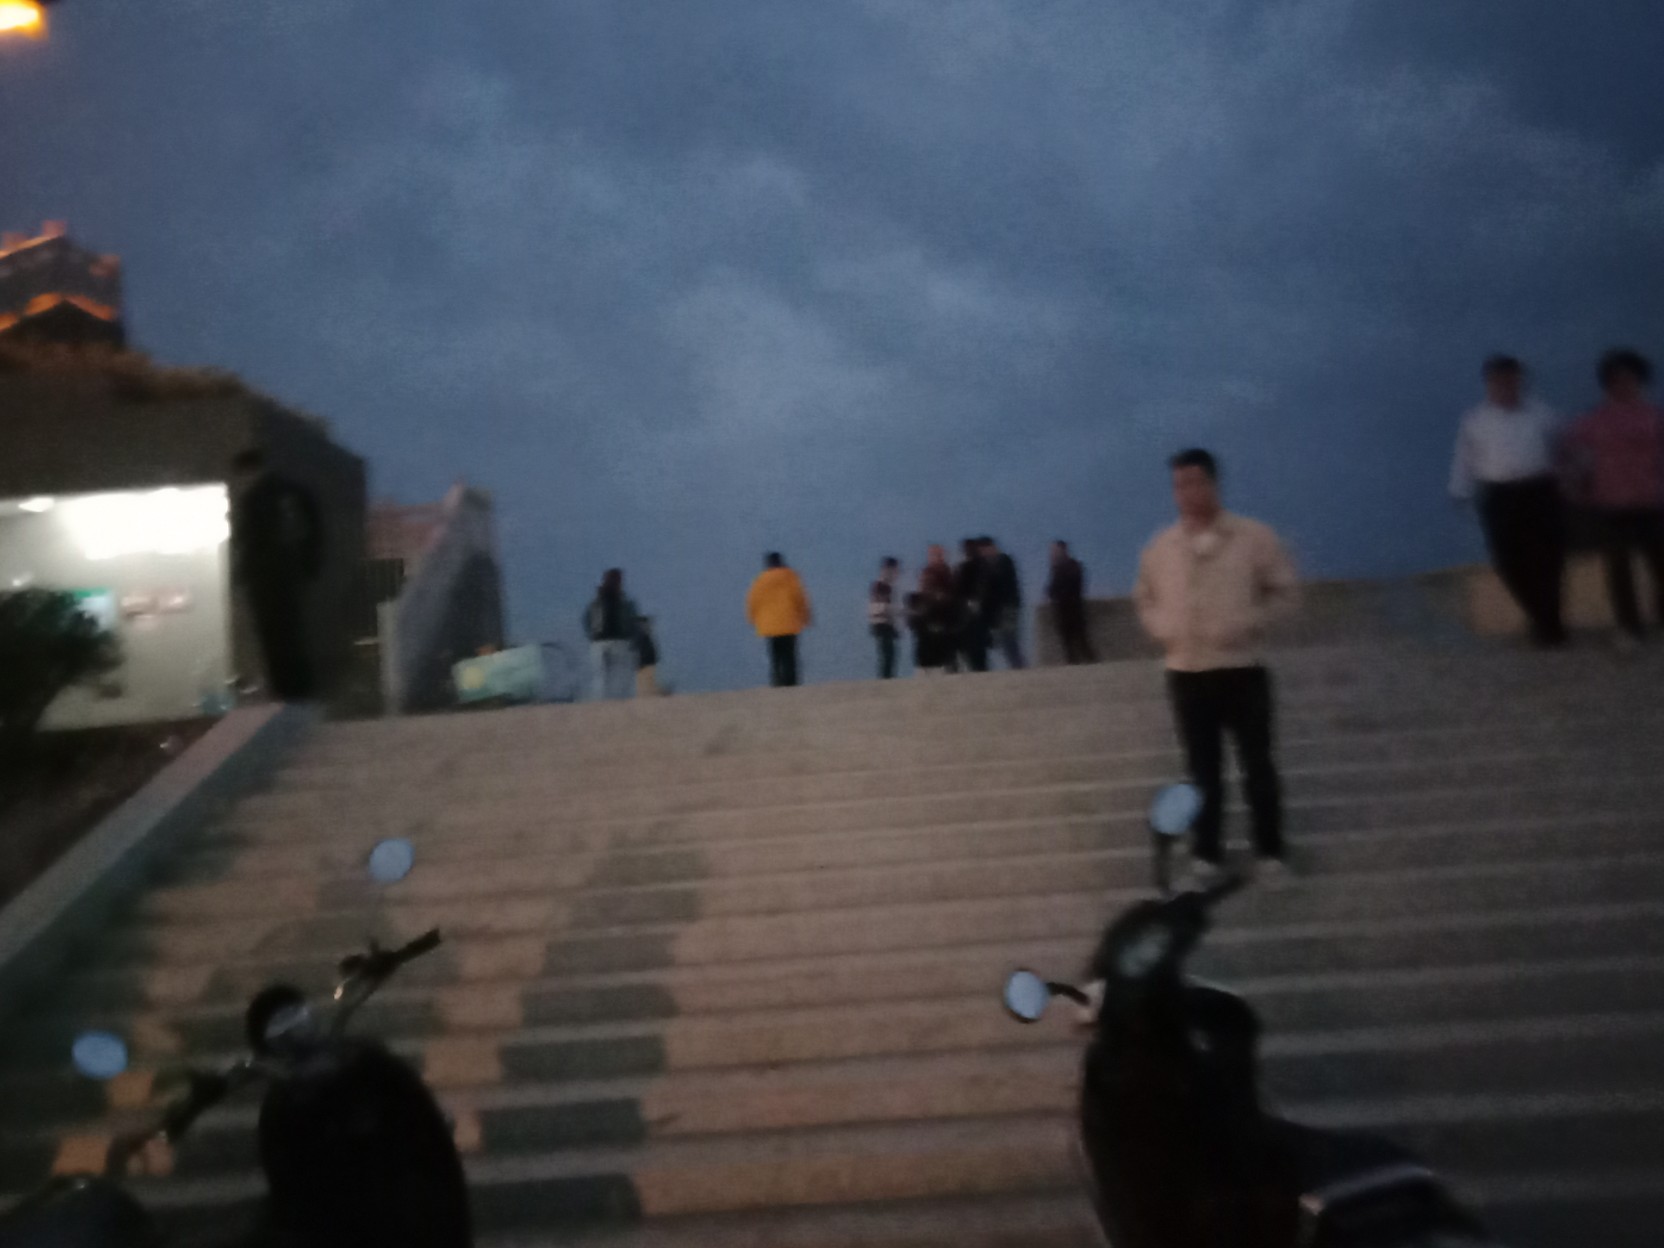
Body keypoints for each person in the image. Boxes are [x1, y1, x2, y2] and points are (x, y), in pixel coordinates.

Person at [1135, 449, 1299, 881]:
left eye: (1194, 482)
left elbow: (1285, 593)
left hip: (1241, 667)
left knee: (1257, 764)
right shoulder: (1161, 546)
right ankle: (1207, 852)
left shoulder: (1254, 537)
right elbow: (1145, 598)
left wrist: (1248, 623)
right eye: (1179, 485)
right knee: (1201, 769)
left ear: (1212, 483)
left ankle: (1270, 850)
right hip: (1186, 671)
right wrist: (1164, 629)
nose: (1186, 493)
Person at [1449, 356, 1568, 648]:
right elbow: (1465, 457)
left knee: (1548, 559)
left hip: (1539, 490)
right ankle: (1541, 617)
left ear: (1520, 380)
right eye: (1498, 380)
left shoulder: (1544, 414)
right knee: (1507, 559)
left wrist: (1570, 482)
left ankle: (1550, 627)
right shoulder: (1475, 420)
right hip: (1499, 495)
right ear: (1488, 383)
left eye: (1511, 379)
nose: (1505, 386)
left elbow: (1564, 449)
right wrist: (1460, 490)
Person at [1561, 349, 1664, 647]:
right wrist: (1576, 490)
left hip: (1652, 503)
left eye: (1631, 379)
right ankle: (1629, 627)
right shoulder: (1591, 422)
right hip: (1610, 505)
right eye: (1617, 380)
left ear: (1640, 381)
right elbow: (1568, 457)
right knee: (1619, 569)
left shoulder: (1655, 418)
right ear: (1607, 384)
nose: (1625, 385)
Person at [229, 449, 323, 701]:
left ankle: (285, 689)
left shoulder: (256, 498)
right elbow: (313, 532)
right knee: (292, 633)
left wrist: (240, 574)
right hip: (291, 575)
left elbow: (249, 540)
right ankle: (299, 688)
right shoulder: (294, 492)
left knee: (273, 635)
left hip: (266, 577)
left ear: (248, 471)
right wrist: (310, 566)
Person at [746, 552, 813, 687]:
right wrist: (805, 617)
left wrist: (753, 619)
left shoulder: (760, 580)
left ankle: (777, 681)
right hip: (790, 623)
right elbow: (800, 599)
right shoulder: (791, 577)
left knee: (775, 656)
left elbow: (752, 602)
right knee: (790, 655)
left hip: (769, 625)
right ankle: (791, 682)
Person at [583, 569, 639, 700]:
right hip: (620, 641)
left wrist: (591, 636)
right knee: (623, 674)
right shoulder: (624, 602)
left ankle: (599, 702)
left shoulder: (595, 603)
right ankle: (622, 701)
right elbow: (632, 621)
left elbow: (586, 620)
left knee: (600, 676)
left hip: (597, 643)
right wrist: (634, 638)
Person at [1047, 540, 1097, 664]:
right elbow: (1052, 590)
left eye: (1055, 551)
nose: (1053, 554)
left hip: (1073, 610)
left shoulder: (1072, 566)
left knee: (1081, 642)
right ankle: (1076, 664)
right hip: (1063, 611)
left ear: (1063, 551)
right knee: (1068, 644)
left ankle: (1093, 664)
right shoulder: (1059, 568)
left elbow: (1070, 587)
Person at [911, 546, 959, 675]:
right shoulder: (927, 572)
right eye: (934, 555)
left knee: (947, 648)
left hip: (945, 617)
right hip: (929, 618)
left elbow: (953, 594)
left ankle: (949, 668)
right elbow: (923, 592)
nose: (937, 558)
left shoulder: (948, 573)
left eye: (939, 555)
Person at [980, 536, 1025, 669]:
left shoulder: (1004, 561)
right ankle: (1017, 666)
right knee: (1006, 640)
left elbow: (1004, 585)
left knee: (1009, 638)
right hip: (1001, 609)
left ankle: (1018, 666)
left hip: (1008, 606)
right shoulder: (990, 565)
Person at [954, 538, 989, 673]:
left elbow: (960, 587)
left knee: (972, 644)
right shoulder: (981, 565)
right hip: (974, 609)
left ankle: (977, 669)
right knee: (976, 646)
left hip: (969, 609)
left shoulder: (969, 566)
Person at [868, 557, 902, 679]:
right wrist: (897, 612)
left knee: (889, 653)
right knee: (887, 653)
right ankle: (885, 679)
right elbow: (882, 606)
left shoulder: (886, 586)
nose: (896, 573)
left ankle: (887, 678)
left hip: (885, 623)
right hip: (882, 623)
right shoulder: (881, 585)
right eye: (895, 570)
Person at [635, 615, 662, 697]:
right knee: (645, 683)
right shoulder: (641, 637)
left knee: (649, 682)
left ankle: (652, 694)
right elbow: (641, 651)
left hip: (648, 663)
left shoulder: (646, 637)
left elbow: (652, 651)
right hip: (644, 664)